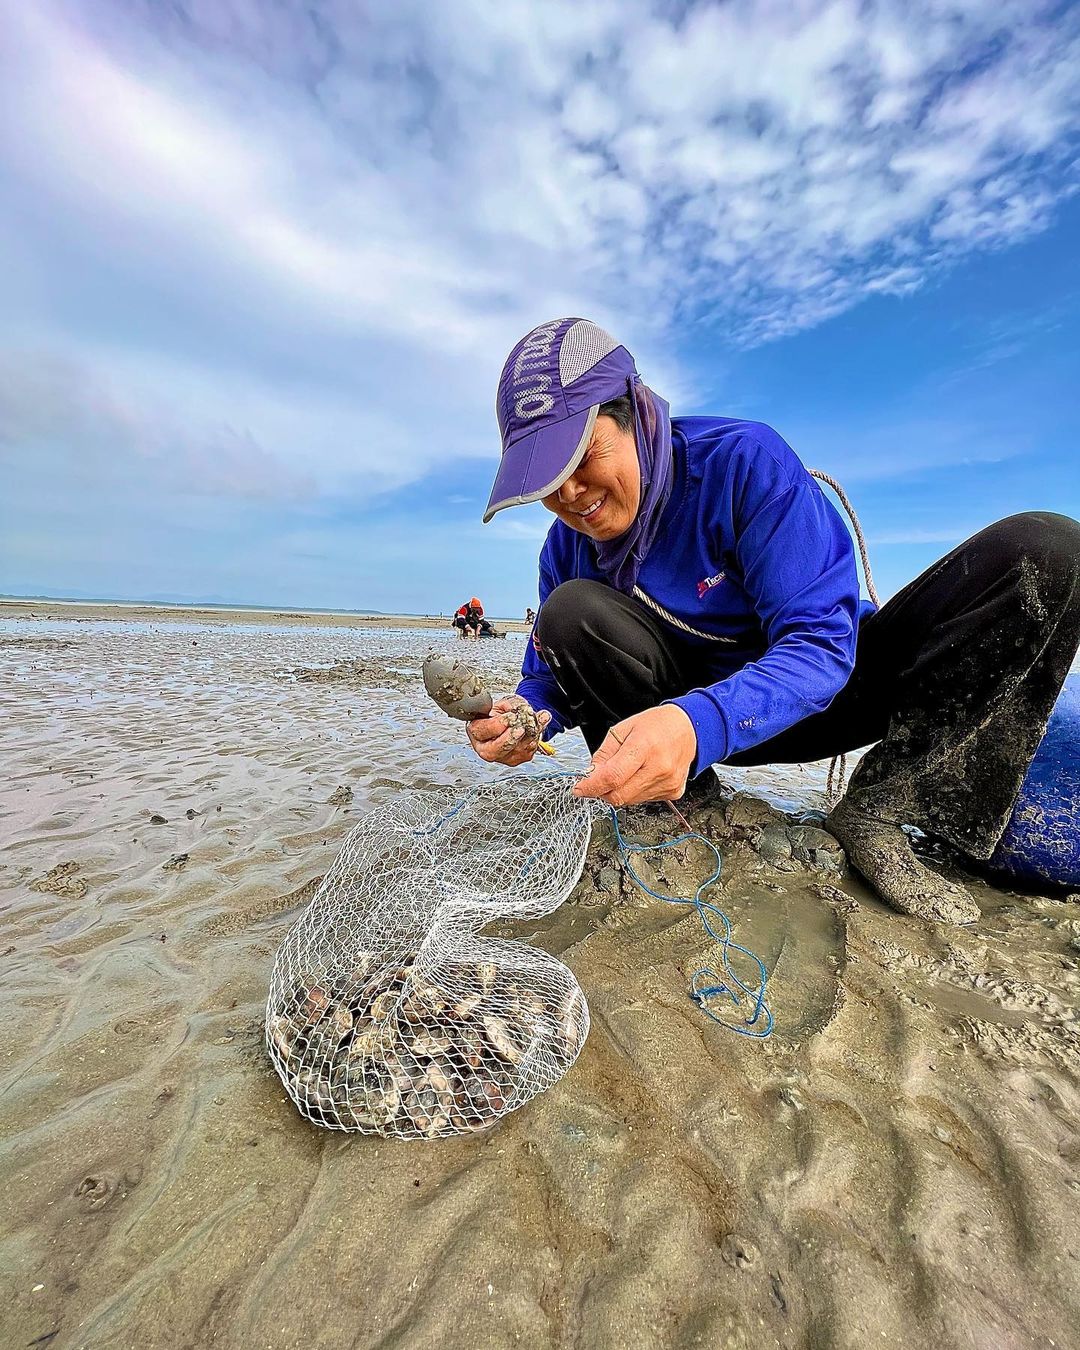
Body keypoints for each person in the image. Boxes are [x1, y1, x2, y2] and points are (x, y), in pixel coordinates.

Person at [466, 317, 1080, 925]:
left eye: (581, 455)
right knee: (571, 609)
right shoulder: (564, 548)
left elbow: (818, 645)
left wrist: (699, 722)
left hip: (825, 698)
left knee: (1048, 549)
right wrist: (527, 717)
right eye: (546, 477)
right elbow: (551, 677)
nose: (570, 493)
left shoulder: (741, 464)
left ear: (634, 411)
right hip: (679, 741)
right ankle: (679, 803)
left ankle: (883, 806)